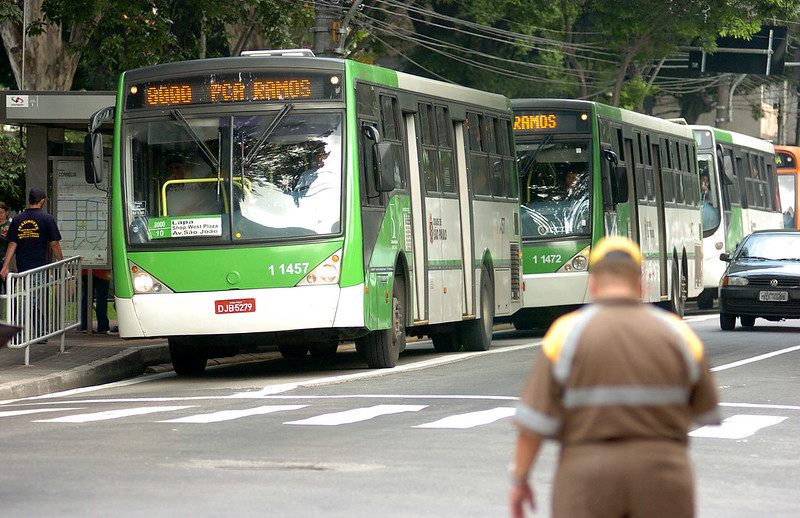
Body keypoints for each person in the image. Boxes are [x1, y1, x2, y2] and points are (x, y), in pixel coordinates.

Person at [509, 235, 721, 518]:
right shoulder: (679, 335)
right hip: (663, 478)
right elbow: (706, 411)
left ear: (594, 282)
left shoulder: (565, 334)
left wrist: (520, 480)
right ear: (640, 283)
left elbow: (533, 424)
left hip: (585, 478)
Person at [1, 188, 63, 280]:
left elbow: (12, 243)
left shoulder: (17, 219)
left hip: (22, 267)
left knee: (31, 292)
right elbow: (54, 243)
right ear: (42, 201)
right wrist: (62, 263)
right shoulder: (47, 218)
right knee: (38, 293)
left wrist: (5, 266)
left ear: (29, 200)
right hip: (40, 266)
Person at [80, 268, 117, 334]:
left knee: (86, 296)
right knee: (102, 298)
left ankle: (85, 325)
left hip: (86, 269)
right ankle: (102, 326)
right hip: (103, 269)